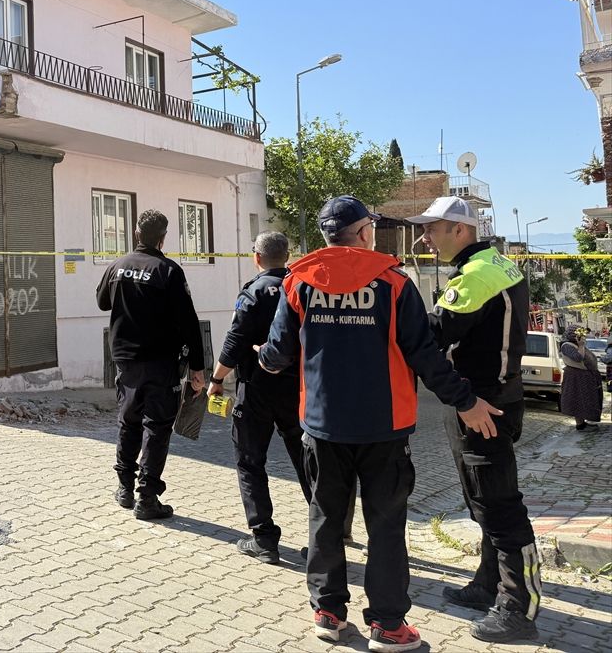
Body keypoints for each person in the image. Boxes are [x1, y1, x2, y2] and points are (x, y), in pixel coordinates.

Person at [260, 195, 500, 653]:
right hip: (384, 427)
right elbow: (425, 356)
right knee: (385, 526)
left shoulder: (298, 282)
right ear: (365, 232)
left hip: (322, 425)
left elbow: (278, 352)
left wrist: (263, 360)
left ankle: (328, 613)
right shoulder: (394, 284)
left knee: (325, 518)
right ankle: (389, 626)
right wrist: (466, 401)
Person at [410, 195, 542, 642]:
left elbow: (432, 333)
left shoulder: (477, 276)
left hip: (481, 405)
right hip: (496, 397)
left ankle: (518, 607)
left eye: (432, 229)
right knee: (482, 501)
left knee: (500, 508)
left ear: (460, 230)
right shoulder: (495, 264)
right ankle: (488, 584)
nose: (424, 238)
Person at [207, 230, 312, 565]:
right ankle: (328, 533)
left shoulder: (253, 291)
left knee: (250, 462)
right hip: (299, 391)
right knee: (308, 460)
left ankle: (264, 538)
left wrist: (216, 379)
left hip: (257, 391)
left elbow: (235, 340)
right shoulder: (303, 286)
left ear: (257, 257)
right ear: (286, 255)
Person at [96, 209, 205, 520]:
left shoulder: (117, 266)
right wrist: (198, 367)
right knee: (156, 428)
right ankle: (147, 498)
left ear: (135, 233)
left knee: (128, 421)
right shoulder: (168, 270)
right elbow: (189, 322)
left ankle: (124, 488)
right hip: (160, 363)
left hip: (126, 361)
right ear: (163, 237)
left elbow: (102, 302)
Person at [560, 327, 603, 430]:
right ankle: (580, 424)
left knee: (585, 399)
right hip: (575, 377)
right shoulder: (566, 346)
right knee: (577, 399)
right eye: (579, 335)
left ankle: (584, 422)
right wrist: (581, 345)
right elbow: (578, 357)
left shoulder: (575, 344)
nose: (582, 337)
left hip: (583, 376)